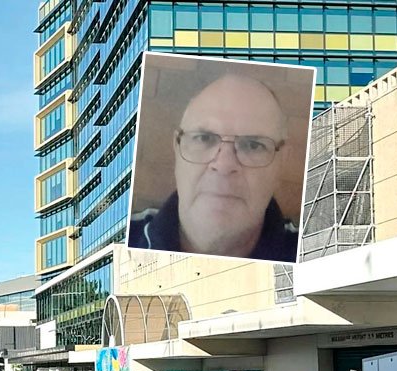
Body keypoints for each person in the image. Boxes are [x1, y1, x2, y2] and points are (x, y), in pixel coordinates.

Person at [128, 74, 298, 263]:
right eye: (204, 138)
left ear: (281, 162)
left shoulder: (311, 254)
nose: (224, 165)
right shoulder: (123, 238)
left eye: (252, 145)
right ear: (177, 149)